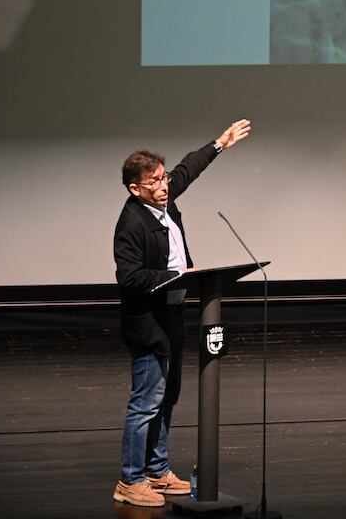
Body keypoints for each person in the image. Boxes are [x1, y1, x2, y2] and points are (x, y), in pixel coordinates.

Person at [112, 118, 252, 508]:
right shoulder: (131, 223)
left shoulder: (165, 198)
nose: (164, 185)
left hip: (173, 315)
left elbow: (188, 169)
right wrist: (177, 274)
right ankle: (129, 480)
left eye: (163, 178)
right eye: (154, 182)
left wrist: (220, 144)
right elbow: (129, 276)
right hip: (147, 324)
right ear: (135, 188)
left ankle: (157, 471)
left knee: (168, 396)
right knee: (146, 402)